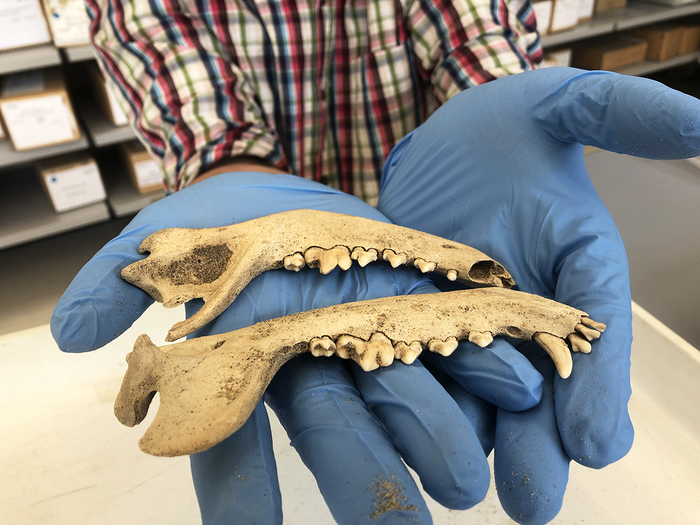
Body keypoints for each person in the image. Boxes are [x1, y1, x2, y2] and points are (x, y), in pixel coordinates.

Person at [52, 0, 700, 523]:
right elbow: (172, 65)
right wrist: (227, 168)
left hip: (433, 198)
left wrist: (500, 113)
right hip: (272, 201)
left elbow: (474, 25)